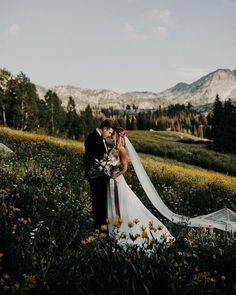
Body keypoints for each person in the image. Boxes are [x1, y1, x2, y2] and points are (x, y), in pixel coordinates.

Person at [107, 127, 174, 247]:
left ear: (117, 135)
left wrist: (114, 175)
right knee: (113, 204)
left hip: (116, 180)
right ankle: (113, 230)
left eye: (113, 134)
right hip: (110, 180)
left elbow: (125, 168)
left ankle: (121, 230)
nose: (111, 135)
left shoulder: (122, 149)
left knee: (120, 205)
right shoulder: (113, 148)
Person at [84, 119, 115, 230]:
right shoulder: (93, 138)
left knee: (101, 203)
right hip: (96, 177)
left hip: (101, 176)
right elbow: (89, 159)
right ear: (104, 128)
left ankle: (102, 228)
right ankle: (99, 229)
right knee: (98, 204)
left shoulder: (102, 139)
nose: (110, 135)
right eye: (110, 132)